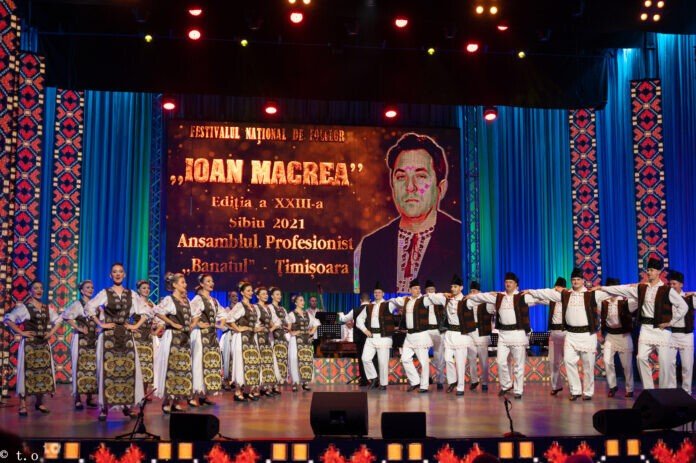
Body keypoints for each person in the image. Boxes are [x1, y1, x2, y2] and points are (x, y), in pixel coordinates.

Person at [354, 132, 462, 293]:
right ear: (392, 185)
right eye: (401, 177)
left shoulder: (460, 240)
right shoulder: (371, 246)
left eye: (421, 176)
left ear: (441, 187)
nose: (410, 187)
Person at [598, 257, 688, 389]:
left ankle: (664, 392)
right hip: (646, 328)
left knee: (665, 363)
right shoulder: (641, 288)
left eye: (651, 270)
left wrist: (671, 322)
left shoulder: (666, 290)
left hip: (661, 330)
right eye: (648, 270)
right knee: (640, 358)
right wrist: (602, 288)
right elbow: (622, 289)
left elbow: (683, 306)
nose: (648, 272)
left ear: (659, 272)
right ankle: (649, 390)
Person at [525, 268, 606, 401]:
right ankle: (575, 390)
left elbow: (610, 293)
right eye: (573, 280)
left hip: (587, 335)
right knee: (568, 361)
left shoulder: (591, 294)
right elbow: (546, 293)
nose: (575, 282)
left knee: (588, 366)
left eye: (578, 279)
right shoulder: (566, 295)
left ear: (583, 281)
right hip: (571, 334)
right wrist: (531, 291)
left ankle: (588, 392)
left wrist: (604, 288)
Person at [84, 263, 146, 421]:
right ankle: (104, 408)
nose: (117, 274)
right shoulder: (105, 293)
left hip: (126, 336)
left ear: (124, 275)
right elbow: (89, 307)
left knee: (126, 370)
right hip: (108, 337)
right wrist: (100, 323)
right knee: (107, 370)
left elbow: (146, 311)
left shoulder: (131, 294)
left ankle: (127, 406)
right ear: (110, 275)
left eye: (120, 272)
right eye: (114, 272)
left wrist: (135, 326)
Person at [466, 272, 539, 399]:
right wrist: (471, 296)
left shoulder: (522, 297)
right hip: (503, 335)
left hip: (517, 334)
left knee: (518, 365)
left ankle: (518, 390)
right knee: (500, 362)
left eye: (510, 282)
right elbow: (482, 297)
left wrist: (537, 292)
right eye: (506, 282)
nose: (508, 284)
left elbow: (541, 299)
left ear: (516, 284)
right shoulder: (499, 297)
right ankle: (506, 385)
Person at [4, 281, 61, 416]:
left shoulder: (47, 308)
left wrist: (51, 333)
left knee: (42, 373)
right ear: (30, 291)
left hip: (43, 345)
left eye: (41, 288)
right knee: (26, 373)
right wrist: (21, 332)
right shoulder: (25, 308)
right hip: (29, 346)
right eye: (36, 288)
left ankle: (39, 402)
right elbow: (8, 319)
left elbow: (59, 320)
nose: (39, 290)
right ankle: (23, 404)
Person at [424, 274, 474, 396]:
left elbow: (482, 298)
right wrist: (443, 294)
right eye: (452, 286)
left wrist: (473, 295)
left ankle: (461, 387)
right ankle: (452, 381)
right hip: (449, 334)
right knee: (447, 359)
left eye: (455, 286)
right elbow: (430, 295)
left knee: (460, 363)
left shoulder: (466, 300)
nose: (453, 289)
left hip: (461, 335)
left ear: (461, 288)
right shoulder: (446, 299)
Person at [154, 272, 197, 413]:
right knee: (171, 368)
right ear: (174, 285)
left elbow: (196, 314)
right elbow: (157, 311)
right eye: (182, 282)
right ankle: (167, 400)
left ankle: (177, 400)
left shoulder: (186, 301)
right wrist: (171, 322)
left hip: (184, 338)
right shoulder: (169, 299)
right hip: (172, 337)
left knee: (182, 368)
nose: (185, 284)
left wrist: (192, 325)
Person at [390, 279, 434, 393]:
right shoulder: (406, 300)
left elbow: (435, 297)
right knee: (405, 359)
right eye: (415, 288)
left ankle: (424, 386)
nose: (417, 290)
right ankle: (415, 381)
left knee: (423, 362)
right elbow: (394, 300)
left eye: (418, 288)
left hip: (421, 335)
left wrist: (444, 295)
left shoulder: (424, 299)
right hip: (409, 336)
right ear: (410, 290)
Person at [62, 280, 98, 410]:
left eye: (92, 287)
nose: (90, 289)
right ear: (82, 290)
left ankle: (89, 397)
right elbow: (66, 316)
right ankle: (77, 398)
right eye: (87, 287)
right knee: (79, 366)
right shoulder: (78, 304)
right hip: (80, 340)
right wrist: (78, 328)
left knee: (92, 368)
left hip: (93, 340)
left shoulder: (95, 304)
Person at [599, 277, 636, 398]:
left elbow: (638, 298)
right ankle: (612, 386)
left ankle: (630, 388)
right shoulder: (604, 302)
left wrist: (630, 288)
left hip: (624, 336)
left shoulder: (625, 301)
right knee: (607, 361)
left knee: (627, 365)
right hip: (610, 336)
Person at [190, 273, 223, 406]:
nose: (211, 283)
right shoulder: (198, 299)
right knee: (199, 363)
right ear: (201, 284)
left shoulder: (214, 301)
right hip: (200, 335)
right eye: (208, 281)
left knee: (210, 362)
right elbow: (190, 314)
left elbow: (223, 314)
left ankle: (204, 394)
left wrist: (218, 325)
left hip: (211, 335)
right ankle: (194, 396)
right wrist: (198, 323)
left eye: (212, 281)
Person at [355, 282, 396, 390]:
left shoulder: (388, 304)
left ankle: (383, 384)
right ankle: (374, 378)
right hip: (371, 337)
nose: (377, 294)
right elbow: (359, 319)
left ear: (383, 293)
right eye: (375, 292)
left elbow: (399, 302)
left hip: (383, 337)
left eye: (379, 292)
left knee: (383, 362)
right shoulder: (369, 306)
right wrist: (365, 330)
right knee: (365, 358)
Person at [228, 282, 262, 401]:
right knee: (241, 363)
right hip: (242, 338)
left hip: (252, 338)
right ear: (242, 292)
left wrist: (256, 329)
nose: (251, 292)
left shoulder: (253, 307)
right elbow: (229, 319)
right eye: (248, 290)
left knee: (251, 363)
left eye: (251, 290)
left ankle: (247, 390)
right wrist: (237, 329)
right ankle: (237, 391)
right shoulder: (240, 305)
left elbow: (255, 322)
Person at [339, 292, 374, 386]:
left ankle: (364, 379)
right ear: (370, 300)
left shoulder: (355, 310)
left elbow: (343, 319)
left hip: (359, 338)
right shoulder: (373, 309)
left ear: (360, 300)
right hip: (371, 337)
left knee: (362, 358)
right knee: (372, 358)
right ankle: (375, 380)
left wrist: (341, 314)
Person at [287, 294, 320, 391]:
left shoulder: (307, 313)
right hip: (296, 340)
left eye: (303, 300)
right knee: (295, 359)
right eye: (301, 300)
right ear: (296, 302)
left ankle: (304, 382)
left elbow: (316, 322)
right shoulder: (292, 314)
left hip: (306, 340)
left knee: (306, 360)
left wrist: (311, 332)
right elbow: (287, 327)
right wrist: (292, 332)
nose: (303, 302)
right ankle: (295, 382)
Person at [465, 281, 493, 393]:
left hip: (481, 332)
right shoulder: (467, 302)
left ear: (479, 292)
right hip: (470, 331)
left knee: (483, 359)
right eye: (471, 291)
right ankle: (474, 380)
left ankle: (484, 382)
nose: (473, 293)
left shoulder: (485, 302)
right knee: (471, 357)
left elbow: (492, 310)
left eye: (475, 291)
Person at [669, 271, 694, 393]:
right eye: (670, 284)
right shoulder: (667, 299)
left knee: (687, 366)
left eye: (674, 284)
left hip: (686, 335)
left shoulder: (689, 298)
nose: (672, 286)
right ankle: (671, 391)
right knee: (670, 364)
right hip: (671, 334)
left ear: (681, 284)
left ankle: (687, 392)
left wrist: (694, 293)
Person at [544, 277, 567, 396]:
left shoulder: (569, 298)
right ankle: (556, 386)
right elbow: (539, 298)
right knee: (553, 361)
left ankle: (575, 389)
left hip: (566, 333)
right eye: (556, 287)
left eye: (559, 287)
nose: (557, 289)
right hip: (554, 332)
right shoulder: (551, 299)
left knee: (568, 361)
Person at [255, 286, 280, 395]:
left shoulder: (268, 308)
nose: (265, 296)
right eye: (263, 294)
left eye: (266, 294)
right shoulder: (255, 307)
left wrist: (271, 329)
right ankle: (257, 387)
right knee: (260, 361)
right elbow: (253, 321)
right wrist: (256, 328)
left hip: (267, 337)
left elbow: (276, 322)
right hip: (258, 337)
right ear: (258, 296)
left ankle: (265, 386)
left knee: (267, 361)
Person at [133, 279, 156, 394]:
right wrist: (131, 326)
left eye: (148, 288)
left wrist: (154, 328)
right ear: (138, 290)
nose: (146, 290)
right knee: (138, 363)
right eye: (143, 288)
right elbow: (126, 314)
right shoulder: (135, 303)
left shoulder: (152, 304)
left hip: (148, 337)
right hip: (138, 336)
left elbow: (157, 319)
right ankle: (137, 392)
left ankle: (145, 392)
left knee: (147, 363)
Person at [424, 279, 446, 390]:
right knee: (423, 356)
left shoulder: (440, 298)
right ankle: (426, 378)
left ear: (435, 290)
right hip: (426, 331)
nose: (430, 291)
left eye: (432, 289)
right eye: (428, 290)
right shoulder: (423, 301)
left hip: (438, 331)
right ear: (425, 290)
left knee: (439, 357)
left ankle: (440, 380)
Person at [269, 287, 289, 389]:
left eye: (280, 294)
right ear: (272, 296)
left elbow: (287, 322)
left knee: (282, 358)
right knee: (275, 358)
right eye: (277, 294)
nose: (279, 296)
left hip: (282, 335)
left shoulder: (283, 309)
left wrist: (286, 326)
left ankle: (280, 380)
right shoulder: (269, 307)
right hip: (274, 335)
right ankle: (273, 382)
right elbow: (270, 320)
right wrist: (275, 326)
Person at [219, 290, 239, 390]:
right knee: (227, 358)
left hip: (237, 334)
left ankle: (235, 380)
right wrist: (231, 328)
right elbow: (223, 323)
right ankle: (226, 381)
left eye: (236, 296)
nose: (235, 298)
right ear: (229, 298)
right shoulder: (226, 310)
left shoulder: (240, 309)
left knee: (236, 357)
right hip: (229, 335)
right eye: (233, 296)